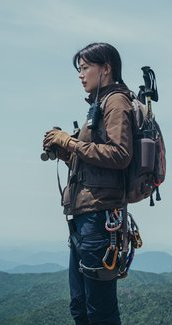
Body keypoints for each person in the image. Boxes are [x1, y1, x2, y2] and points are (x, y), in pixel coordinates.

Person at [43, 42, 133, 325]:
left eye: (85, 68)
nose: (81, 75)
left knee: (99, 311)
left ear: (105, 69)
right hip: (85, 219)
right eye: (79, 70)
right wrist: (67, 152)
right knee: (80, 305)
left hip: (99, 219)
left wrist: (70, 142)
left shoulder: (116, 102)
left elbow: (120, 155)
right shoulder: (99, 104)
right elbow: (95, 168)